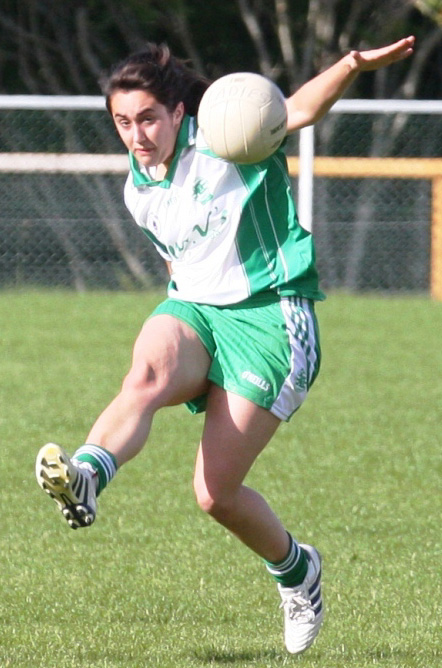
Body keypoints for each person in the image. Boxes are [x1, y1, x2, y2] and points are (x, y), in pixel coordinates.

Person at [35, 35, 414, 655]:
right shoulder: (138, 189)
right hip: (198, 310)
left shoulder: (225, 136)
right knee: (146, 375)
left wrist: (350, 65)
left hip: (271, 319)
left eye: (149, 118)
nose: (137, 134)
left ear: (178, 112)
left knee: (214, 495)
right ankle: (85, 476)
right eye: (123, 122)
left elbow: (296, 112)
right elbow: (185, 263)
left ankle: (298, 572)